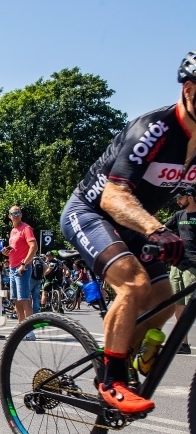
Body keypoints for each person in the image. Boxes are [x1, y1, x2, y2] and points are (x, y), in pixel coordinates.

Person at [60, 50, 196, 414]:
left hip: (137, 224)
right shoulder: (155, 130)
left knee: (164, 300)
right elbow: (114, 195)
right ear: (188, 90)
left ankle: (122, 357)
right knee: (134, 285)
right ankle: (112, 380)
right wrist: (156, 230)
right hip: (93, 212)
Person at [165, 186, 196, 354]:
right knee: (177, 303)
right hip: (177, 264)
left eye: (180, 198)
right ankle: (183, 344)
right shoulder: (178, 216)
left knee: (192, 304)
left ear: (190, 197)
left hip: (193, 265)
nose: (177, 201)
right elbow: (162, 230)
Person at [2, 206, 38, 329]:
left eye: (18, 213)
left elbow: (34, 247)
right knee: (16, 300)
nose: (16, 215)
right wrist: (6, 252)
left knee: (25, 299)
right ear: (9, 216)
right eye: (13, 213)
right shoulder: (13, 231)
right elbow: (15, 249)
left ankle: (29, 330)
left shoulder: (26, 228)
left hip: (22, 268)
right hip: (12, 268)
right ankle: (20, 328)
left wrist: (24, 264)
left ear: (21, 215)